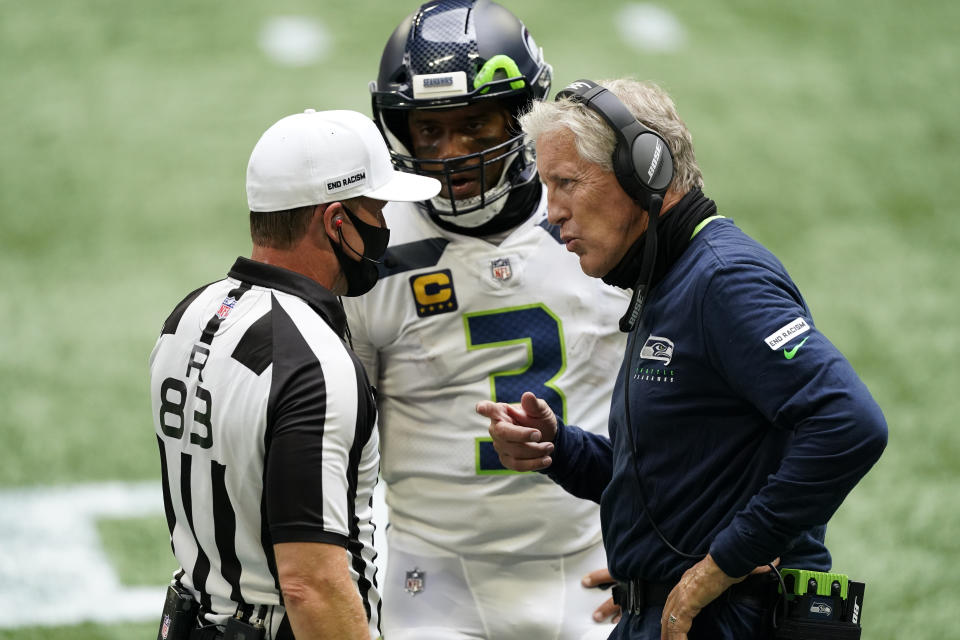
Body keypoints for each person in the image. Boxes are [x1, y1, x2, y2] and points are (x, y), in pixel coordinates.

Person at [477, 77, 888, 640]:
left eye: (567, 183)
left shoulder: (723, 279)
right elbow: (676, 480)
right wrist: (560, 449)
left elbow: (849, 423)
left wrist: (718, 567)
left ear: (646, 171)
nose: (553, 214)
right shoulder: (669, 282)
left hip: (728, 617)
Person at [340, 1, 629, 638]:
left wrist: (658, 535)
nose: (454, 154)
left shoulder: (597, 224)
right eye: (429, 131)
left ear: (523, 116)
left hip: (593, 559)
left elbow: (676, 401)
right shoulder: (375, 249)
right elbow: (342, 438)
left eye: (474, 125)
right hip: (434, 574)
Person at [150, 108, 439, 640]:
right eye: (375, 210)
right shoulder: (314, 364)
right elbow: (311, 584)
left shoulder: (188, 317)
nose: (384, 228)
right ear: (335, 222)